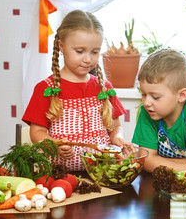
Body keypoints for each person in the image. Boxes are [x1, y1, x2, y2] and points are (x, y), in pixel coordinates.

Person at [23, 10, 134, 171]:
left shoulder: (105, 88)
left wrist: (118, 138)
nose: (88, 59)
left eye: (95, 52)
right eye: (80, 51)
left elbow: (115, 126)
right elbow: (37, 132)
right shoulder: (46, 88)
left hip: (100, 172)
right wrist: (54, 145)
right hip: (60, 174)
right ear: (61, 46)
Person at [132, 49, 186, 173]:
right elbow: (146, 162)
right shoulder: (148, 112)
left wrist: (156, 161)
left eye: (156, 97)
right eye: (143, 94)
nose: (146, 102)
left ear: (181, 95)